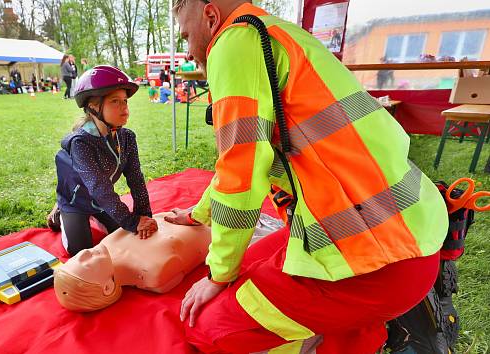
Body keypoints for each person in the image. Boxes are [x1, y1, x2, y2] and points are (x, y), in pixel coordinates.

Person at [170, 1, 448, 353]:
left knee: (210, 327)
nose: (190, 50)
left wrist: (218, 274)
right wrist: (199, 215)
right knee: (253, 264)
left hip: (373, 264)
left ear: (211, 18)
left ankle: (352, 329)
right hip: (409, 234)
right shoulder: (279, 33)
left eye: (186, 35)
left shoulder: (233, 41)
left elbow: (240, 175)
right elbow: (242, 160)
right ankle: (364, 331)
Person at [48, 65, 158, 256]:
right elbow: (99, 187)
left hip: (101, 202)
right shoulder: (81, 142)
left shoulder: (127, 138)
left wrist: (144, 216)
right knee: (81, 252)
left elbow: (136, 178)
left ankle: (98, 217)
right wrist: (131, 222)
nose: (125, 108)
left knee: (124, 237)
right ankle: (59, 213)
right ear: (93, 107)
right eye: (115, 102)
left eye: (125, 101)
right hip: (76, 201)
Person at [54, 212, 211, 312]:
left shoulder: (107, 244)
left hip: (189, 213)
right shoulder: (154, 273)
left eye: (76, 257)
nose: (84, 252)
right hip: (210, 224)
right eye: (85, 264)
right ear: (107, 287)